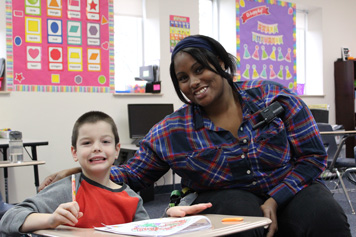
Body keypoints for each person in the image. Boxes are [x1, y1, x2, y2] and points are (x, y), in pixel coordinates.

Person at [38, 35, 351, 237]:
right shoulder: (174, 130)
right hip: (227, 194)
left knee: (323, 218)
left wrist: (275, 198)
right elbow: (134, 174)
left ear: (222, 64)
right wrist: (87, 168)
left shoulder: (272, 97)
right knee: (242, 222)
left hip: (290, 185)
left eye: (201, 69)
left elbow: (313, 158)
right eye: (183, 78)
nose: (194, 82)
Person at [0, 111, 212, 236]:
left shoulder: (131, 198)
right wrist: (52, 220)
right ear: (74, 152)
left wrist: (167, 219)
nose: (97, 148)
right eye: (87, 143)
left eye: (105, 142)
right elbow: (9, 219)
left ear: (117, 150)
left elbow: (144, 231)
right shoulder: (67, 189)